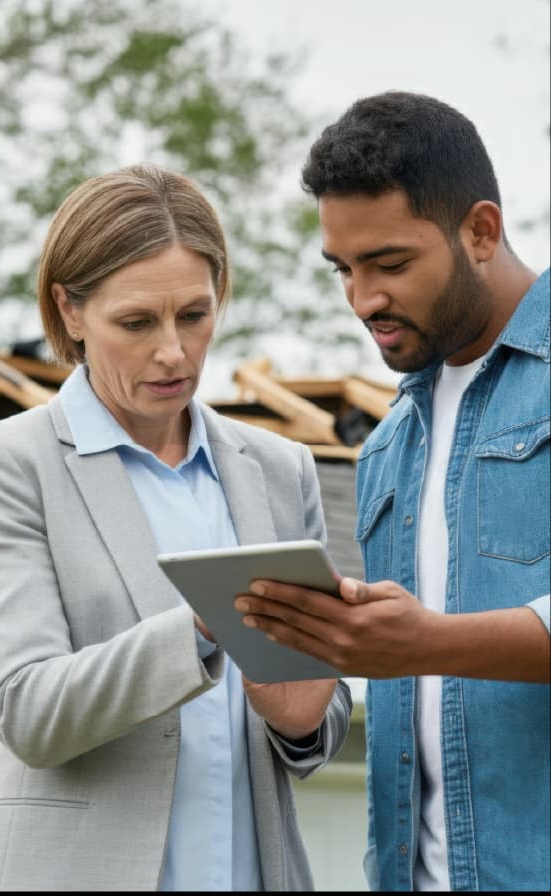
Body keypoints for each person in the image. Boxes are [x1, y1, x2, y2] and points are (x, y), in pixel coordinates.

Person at [0, 163, 352, 891]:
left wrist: (303, 720)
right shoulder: (3, 465)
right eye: (136, 323)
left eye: (194, 315)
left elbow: (313, 709)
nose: (173, 351)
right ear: (69, 311)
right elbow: (27, 711)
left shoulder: (282, 468)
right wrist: (202, 628)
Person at [234, 91, 550, 892]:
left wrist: (426, 642)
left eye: (390, 264)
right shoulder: (384, 447)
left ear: (480, 231)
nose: (363, 300)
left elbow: (426, 644)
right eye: (344, 269)